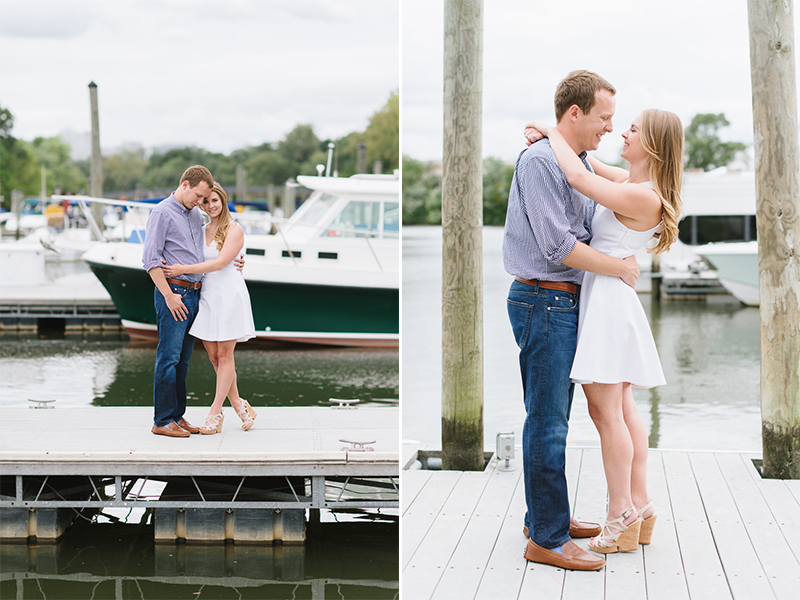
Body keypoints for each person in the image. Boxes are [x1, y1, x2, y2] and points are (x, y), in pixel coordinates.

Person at [524, 109, 683, 555]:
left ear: (651, 144)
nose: (621, 132)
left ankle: (620, 515)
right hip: (609, 298)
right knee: (623, 407)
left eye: (632, 129)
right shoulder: (633, 185)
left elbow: (576, 176)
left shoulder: (644, 197)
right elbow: (585, 162)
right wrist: (552, 135)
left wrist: (552, 131)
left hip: (609, 304)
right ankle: (641, 506)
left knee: (606, 412)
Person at [502, 70, 642, 571]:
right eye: (604, 117)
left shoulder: (576, 161)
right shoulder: (542, 162)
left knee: (553, 418)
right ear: (576, 113)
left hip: (564, 303)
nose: (610, 126)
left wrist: (551, 131)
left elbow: (587, 214)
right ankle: (546, 537)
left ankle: (545, 517)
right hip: (544, 300)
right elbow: (559, 245)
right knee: (548, 423)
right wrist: (623, 268)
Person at [163, 181, 257, 434]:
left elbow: (219, 264)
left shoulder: (234, 229)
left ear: (223, 200)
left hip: (228, 294)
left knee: (226, 356)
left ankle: (215, 413)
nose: (210, 205)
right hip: (207, 295)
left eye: (215, 200)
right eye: (205, 201)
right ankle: (239, 404)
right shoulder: (201, 228)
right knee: (215, 357)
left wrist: (182, 270)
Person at [142, 165, 215, 438]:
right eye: (198, 195)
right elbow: (150, 260)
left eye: (203, 198)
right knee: (168, 357)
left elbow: (207, 248)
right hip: (175, 292)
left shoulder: (195, 214)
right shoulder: (161, 212)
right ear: (185, 184)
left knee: (183, 361)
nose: (200, 202)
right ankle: (162, 420)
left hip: (194, 292)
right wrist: (168, 295)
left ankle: (177, 416)